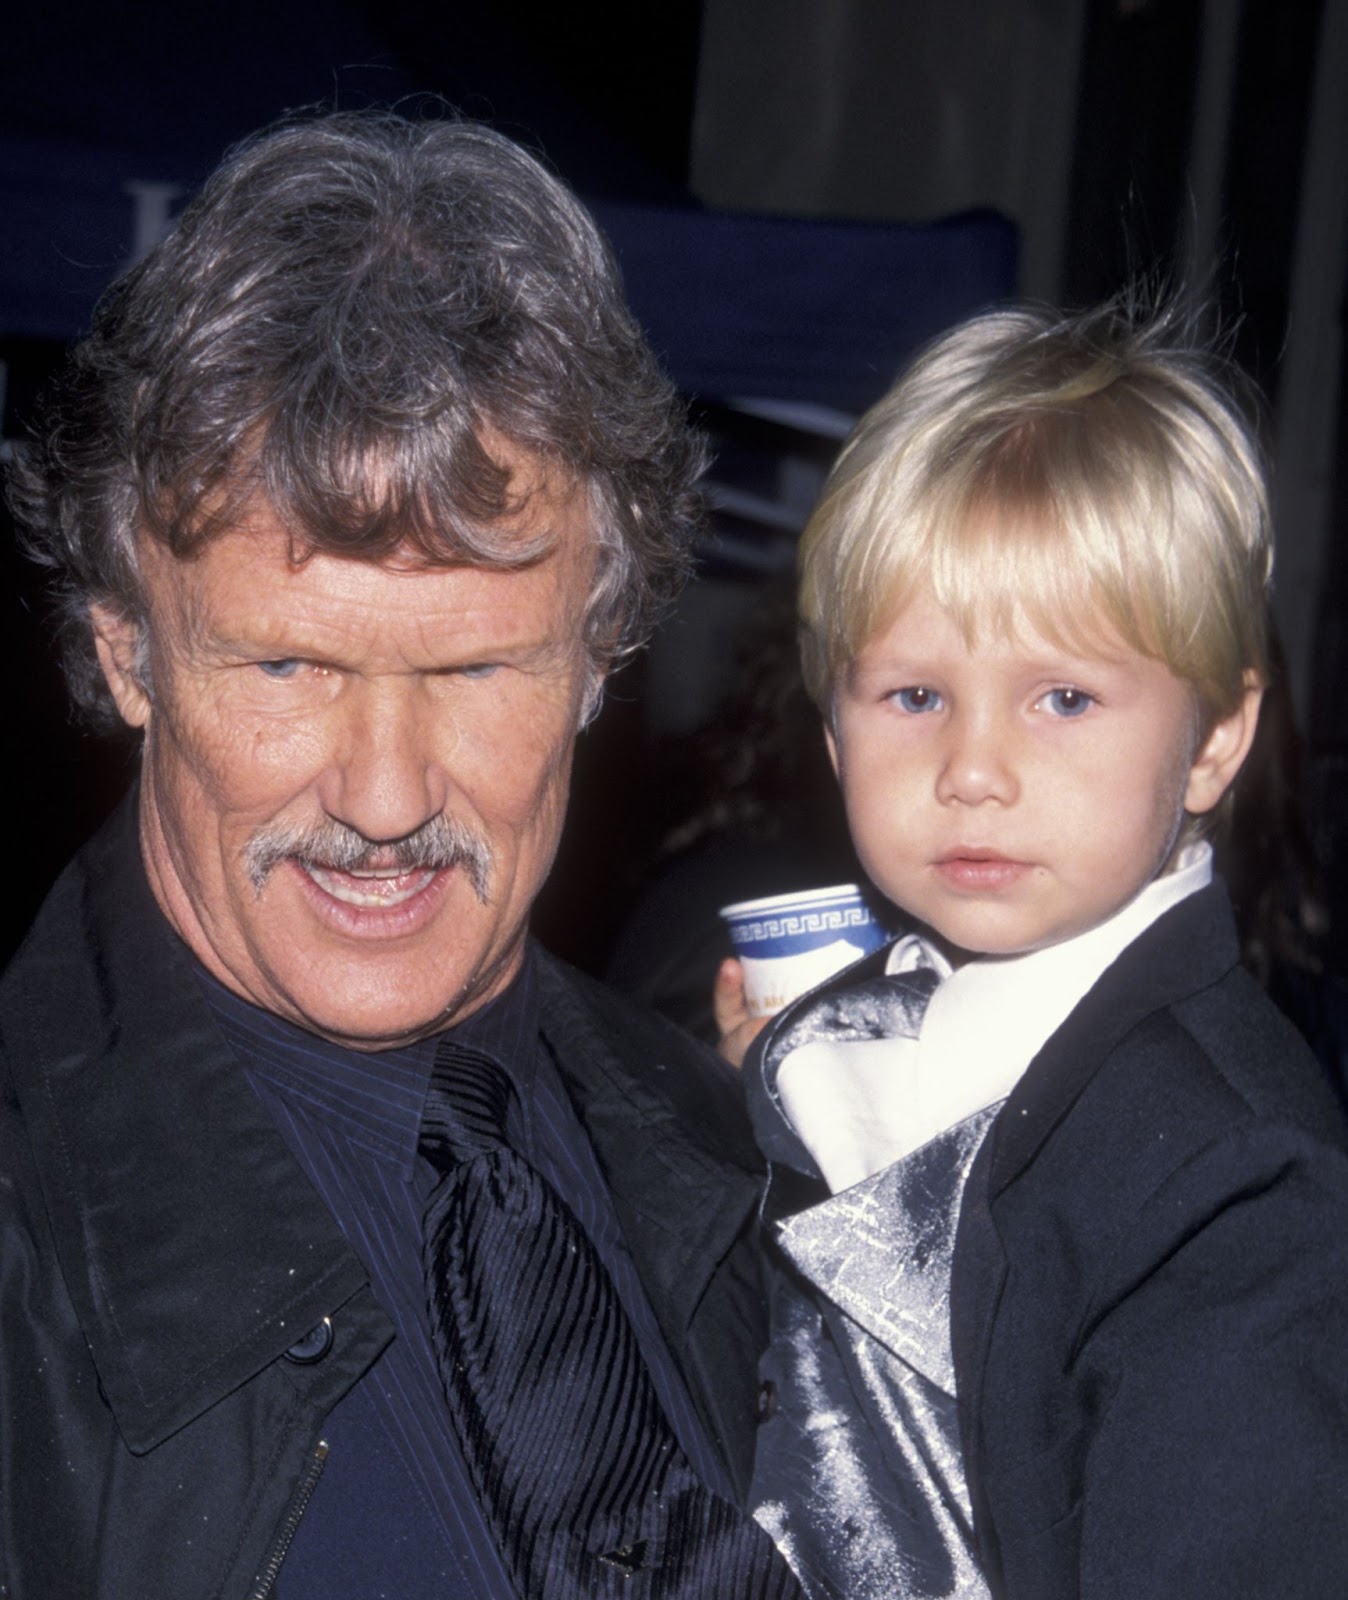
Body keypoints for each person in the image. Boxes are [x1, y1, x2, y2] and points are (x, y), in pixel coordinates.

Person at [0, 113, 801, 1600]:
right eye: (289, 667)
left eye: (472, 673)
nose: (381, 796)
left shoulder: (750, 1155)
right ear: (127, 655)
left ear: (601, 655)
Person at [720, 303, 1348, 1597]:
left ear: (1218, 739)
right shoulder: (836, 1034)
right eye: (914, 696)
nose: (975, 771)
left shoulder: (1236, 1184)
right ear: (833, 727)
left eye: (1064, 698)